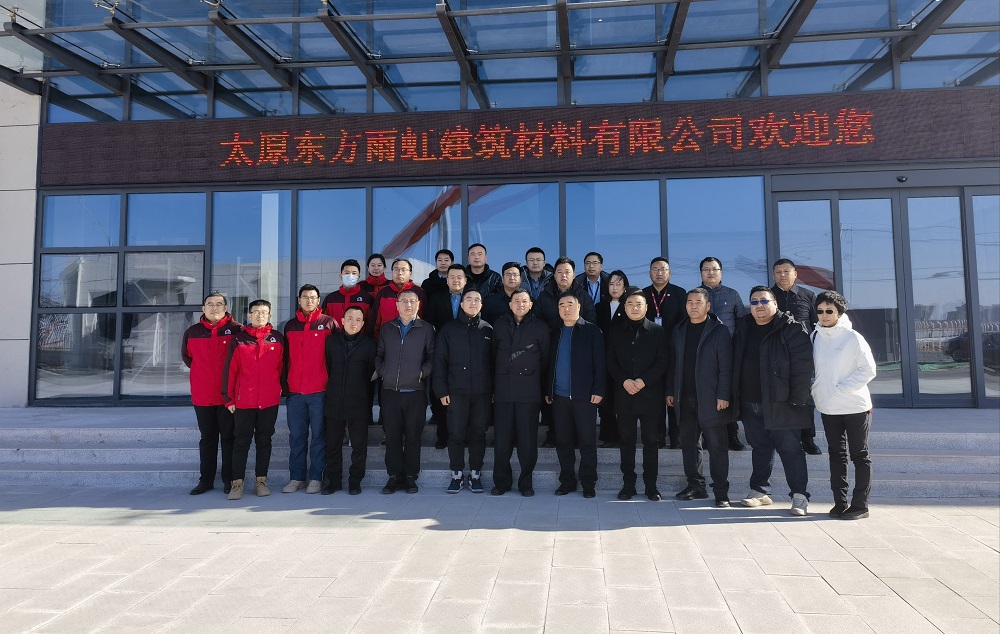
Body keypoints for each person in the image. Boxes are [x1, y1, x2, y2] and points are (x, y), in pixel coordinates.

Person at [731, 286, 814, 516]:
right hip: (750, 402)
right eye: (754, 302)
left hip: (783, 402)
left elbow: (803, 367)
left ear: (775, 304)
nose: (759, 306)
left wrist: (798, 398)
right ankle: (760, 491)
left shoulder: (791, 328)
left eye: (764, 301)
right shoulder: (743, 327)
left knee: (790, 449)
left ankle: (799, 496)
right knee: (760, 447)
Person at [811, 290, 876, 520]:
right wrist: (817, 390)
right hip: (828, 407)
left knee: (859, 455)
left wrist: (842, 388)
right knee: (836, 455)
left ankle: (860, 505)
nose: (824, 315)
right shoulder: (815, 336)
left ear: (839, 313)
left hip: (855, 406)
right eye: (820, 311)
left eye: (829, 311)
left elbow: (868, 369)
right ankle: (840, 502)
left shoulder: (853, 338)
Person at [667, 288, 734, 508]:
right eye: (690, 302)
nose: (693, 306)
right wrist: (670, 391)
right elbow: (673, 363)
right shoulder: (679, 330)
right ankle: (696, 486)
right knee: (689, 444)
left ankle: (721, 492)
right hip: (684, 397)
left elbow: (726, 367)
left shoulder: (719, 330)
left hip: (712, 399)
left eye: (698, 302)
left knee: (717, 446)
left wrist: (723, 394)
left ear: (708, 306)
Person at [606, 288, 669, 501]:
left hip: (650, 395)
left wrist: (644, 381)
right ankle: (628, 485)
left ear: (646, 307)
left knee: (651, 442)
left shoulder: (657, 331)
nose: (634, 308)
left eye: (639, 304)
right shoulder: (615, 331)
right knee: (627, 441)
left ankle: (651, 486)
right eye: (630, 304)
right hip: (624, 394)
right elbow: (610, 361)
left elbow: (663, 361)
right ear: (624, 307)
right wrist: (624, 381)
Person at [222, 299, 286, 500]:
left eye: (264, 312)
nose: (260, 315)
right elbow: (230, 370)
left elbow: (281, 368)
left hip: (269, 401)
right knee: (241, 442)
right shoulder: (239, 339)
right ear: (249, 315)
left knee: (264, 441)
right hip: (244, 401)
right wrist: (229, 398)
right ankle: (237, 483)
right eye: (256, 312)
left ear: (270, 315)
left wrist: (279, 389)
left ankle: (261, 481)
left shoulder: (277, 338)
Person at [434, 288, 494, 494]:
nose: (473, 303)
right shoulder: (449, 329)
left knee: (478, 433)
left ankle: (475, 474)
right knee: (456, 433)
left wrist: (493, 390)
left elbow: (494, 362)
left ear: (481, 305)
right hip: (456, 392)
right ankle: (457, 474)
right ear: (461, 304)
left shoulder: (488, 329)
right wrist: (441, 390)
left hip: (482, 393)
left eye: (477, 300)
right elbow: (440, 361)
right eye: (469, 299)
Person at [182, 292, 242, 495]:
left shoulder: (237, 330)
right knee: (207, 438)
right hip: (203, 394)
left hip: (228, 396)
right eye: (210, 304)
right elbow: (188, 358)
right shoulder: (192, 332)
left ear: (226, 308)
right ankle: (206, 480)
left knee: (228, 437)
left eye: (218, 304)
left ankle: (229, 479)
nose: (214, 308)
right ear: (203, 308)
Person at [546, 292, 605, 498]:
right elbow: (548, 364)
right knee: (563, 441)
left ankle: (588, 483)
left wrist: (598, 390)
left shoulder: (592, 331)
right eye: (562, 305)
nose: (566, 308)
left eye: (570, 304)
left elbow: (600, 363)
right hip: (559, 397)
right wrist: (548, 390)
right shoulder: (555, 332)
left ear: (579, 307)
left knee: (587, 442)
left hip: (585, 397)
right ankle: (567, 482)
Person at [376, 289, 435, 495]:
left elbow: (432, 357)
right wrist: (383, 372)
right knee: (392, 436)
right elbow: (379, 354)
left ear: (418, 304)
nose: (408, 305)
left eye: (412, 301)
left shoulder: (426, 328)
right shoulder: (387, 328)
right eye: (404, 301)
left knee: (413, 436)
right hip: (390, 391)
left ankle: (410, 477)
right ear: (397, 304)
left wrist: (421, 373)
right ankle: (393, 476)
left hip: (415, 392)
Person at [492, 289, 550, 497]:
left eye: (524, 301)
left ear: (531, 304)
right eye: (516, 301)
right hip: (503, 392)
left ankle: (526, 483)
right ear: (510, 304)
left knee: (527, 441)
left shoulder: (540, 327)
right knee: (502, 441)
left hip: (528, 393)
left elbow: (545, 359)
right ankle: (502, 483)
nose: (520, 304)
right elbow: (492, 355)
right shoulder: (499, 325)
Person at [282, 284, 338, 495]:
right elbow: (285, 358)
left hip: (320, 390)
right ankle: (296, 478)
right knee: (296, 436)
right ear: (299, 300)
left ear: (318, 300)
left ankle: (316, 477)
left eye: (313, 297)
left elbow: (336, 357)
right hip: (295, 392)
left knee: (318, 437)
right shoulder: (290, 326)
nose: (309, 300)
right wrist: (285, 386)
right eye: (305, 297)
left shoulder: (329, 323)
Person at [771, 258, 823, 456]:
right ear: (774, 275)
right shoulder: (768, 296)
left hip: (802, 355)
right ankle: (781, 437)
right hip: (776, 355)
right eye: (778, 272)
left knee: (805, 398)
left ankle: (808, 438)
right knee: (778, 396)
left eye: (786, 271)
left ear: (795, 274)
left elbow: (817, 326)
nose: (782, 275)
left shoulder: (808, 295)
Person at [323, 305, 376, 496]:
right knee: (333, 444)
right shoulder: (331, 342)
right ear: (343, 321)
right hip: (334, 400)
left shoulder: (369, 345)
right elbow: (328, 366)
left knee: (359, 446)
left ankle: (355, 481)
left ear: (363, 324)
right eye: (350, 319)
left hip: (358, 402)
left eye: (358, 320)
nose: (354, 323)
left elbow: (370, 374)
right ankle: (334, 481)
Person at [699, 256, 749, 453]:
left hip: (729, 352)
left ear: (721, 272)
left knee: (729, 392)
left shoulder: (732, 294)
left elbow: (742, 323)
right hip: (703, 354)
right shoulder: (695, 295)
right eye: (706, 269)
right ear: (701, 273)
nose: (710, 272)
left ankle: (732, 435)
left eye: (714, 269)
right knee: (705, 393)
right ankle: (706, 436)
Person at [642, 257, 685, 449]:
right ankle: (658, 435)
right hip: (651, 354)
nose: (659, 273)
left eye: (663, 269)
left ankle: (676, 435)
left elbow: (683, 323)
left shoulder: (679, 293)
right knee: (655, 396)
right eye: (655, 269)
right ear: (649, 273)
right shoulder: (643, 294)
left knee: (674, 393)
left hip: (674, 351)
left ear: (670, 273)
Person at [424, 263, 467, 447]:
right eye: (452, 277)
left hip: (467, 352)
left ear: (465, 280)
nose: (456, 280)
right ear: (447, 280)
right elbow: (430, 323)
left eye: (459, 277)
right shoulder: (437, 298)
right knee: (440, 394)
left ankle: (464, 436)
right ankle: (443, 436)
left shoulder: (472, 297)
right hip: (442, 351)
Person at [595, 270, 630, 448]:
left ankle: (625, 436)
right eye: (611, 284)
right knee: (606, 400)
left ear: (625, 287)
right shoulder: (599, 307)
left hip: (624, 360)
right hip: (603, 357)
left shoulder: (629, 305)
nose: (614, 287)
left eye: (618, 284)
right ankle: (609, 436)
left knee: (623, 399)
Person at [534, 256, 598, 332]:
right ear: (555, 276)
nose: (563, 275)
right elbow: (537, 320)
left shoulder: (583, 295)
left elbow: (591, 320)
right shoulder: (544, 296)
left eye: (567, 272)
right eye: (560, 272)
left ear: (573, 276)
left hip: (577, 337)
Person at [370, 258, 427, 339]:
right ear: (392, 272)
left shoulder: (419, 293)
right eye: (396, 269)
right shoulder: (383, 293)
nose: (399, 273)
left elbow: (424, 319)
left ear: (410, 273)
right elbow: (374, 321)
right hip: (386, 340)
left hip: (413, 340)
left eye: (403, 270)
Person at [322, 259, 373, 323]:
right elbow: (323, 322)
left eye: (354, 273)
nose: (350, 276)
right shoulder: (330, 299)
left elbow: (371, 323)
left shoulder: (367, 298)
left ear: (358, 277)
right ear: (341, 276)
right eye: (347, 273)